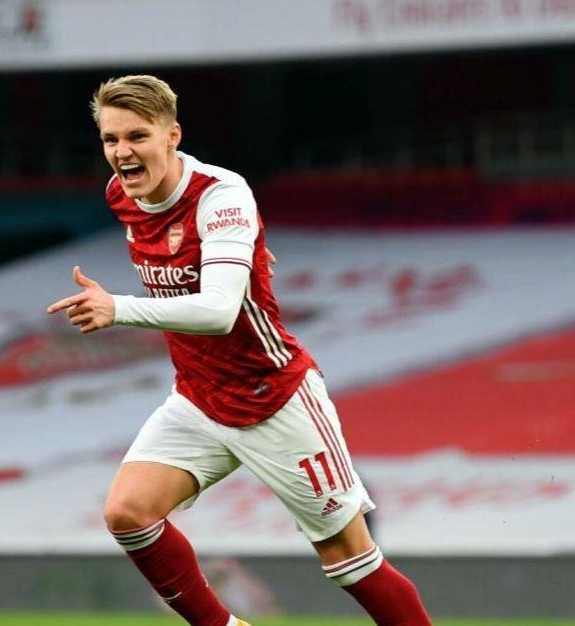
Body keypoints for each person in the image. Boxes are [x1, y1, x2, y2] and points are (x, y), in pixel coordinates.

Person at [47, 75, 431, 626]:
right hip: (198, 398)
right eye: (111, 139)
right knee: (128, 513)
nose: (122, 152)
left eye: (137, 136)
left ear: (172, 135)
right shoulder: (121, 194)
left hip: (271, 396)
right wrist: (247, 248)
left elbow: (219, 312)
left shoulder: (220, 195)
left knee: (350, 560)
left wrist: (120, 308)